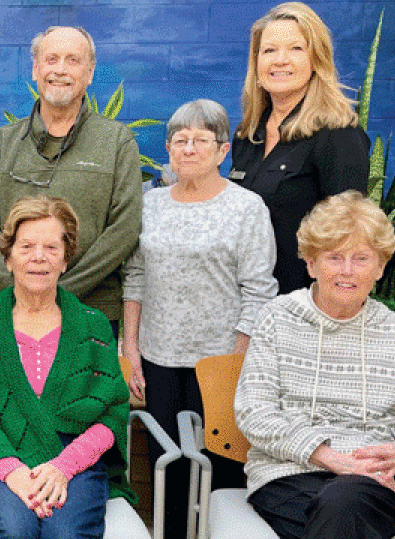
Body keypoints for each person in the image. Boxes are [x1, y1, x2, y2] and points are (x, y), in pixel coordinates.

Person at [236, 191, 395, 539]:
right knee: (339, 515)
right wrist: (329, 457)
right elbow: (254, 411)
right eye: (334, 257)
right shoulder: (276, 319)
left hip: (372, 484)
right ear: (311, 263)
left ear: (380, 267)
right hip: (287, 476)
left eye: (361, 258)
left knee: (343, 505)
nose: (346, 271)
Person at [0, 196, 134, 539]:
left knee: (67, 533)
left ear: (65, 259)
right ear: (8, 256)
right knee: (14, 529)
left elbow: (112, 413)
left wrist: (64, 467)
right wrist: (13, 472)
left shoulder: (95, 326)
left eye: (51, 247)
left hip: (74, 460)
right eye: (27, 246)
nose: (39, 257)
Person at [121, 99, 278, 539]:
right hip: (159, 357)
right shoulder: (150, 205)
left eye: (200, 140)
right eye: (180, 140)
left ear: (222, 150)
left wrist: (236, 363)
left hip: (219, 362)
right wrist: (130, 349)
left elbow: (259, 289)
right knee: (168, 466)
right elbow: (135, 277)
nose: (188, 148)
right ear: (169, 147)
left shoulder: (247, 208)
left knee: (222, 471)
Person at [0, 26, 142, 334]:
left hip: (93, 314)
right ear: (36, 69)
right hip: (15, 314)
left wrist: (57, 295)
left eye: (73, 60)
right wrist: (20, 292)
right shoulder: (2, 143)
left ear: (89, 73)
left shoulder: (117, 142)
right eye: (51, 59)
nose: (60, 70)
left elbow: (124, 228)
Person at [230, 1, 370, 295]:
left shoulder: (338, 135)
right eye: (269, 51)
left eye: (296, 49)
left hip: (304, 305)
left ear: (316, 60)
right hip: (247, 302)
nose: (280, 60)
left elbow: (348, 236)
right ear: (256, 65)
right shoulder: (246, 137)